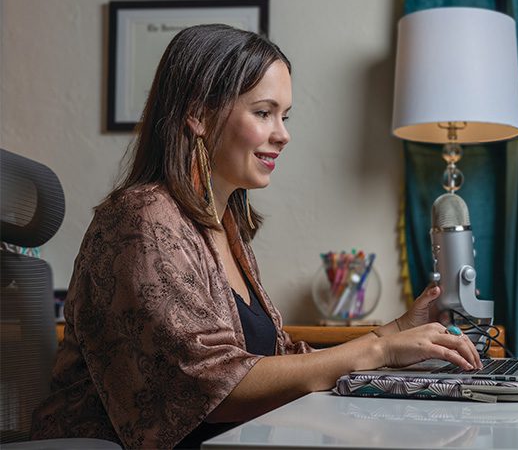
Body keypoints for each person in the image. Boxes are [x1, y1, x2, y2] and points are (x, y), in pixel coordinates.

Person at [30, 25, 481, 449]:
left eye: (284, 116)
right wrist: (378, 349)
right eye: (264, 113)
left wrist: (399, 329)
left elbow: (274, 362)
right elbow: (210, 387)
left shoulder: (223, 226)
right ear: (197, 115)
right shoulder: (142, 219)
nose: (282, 135)